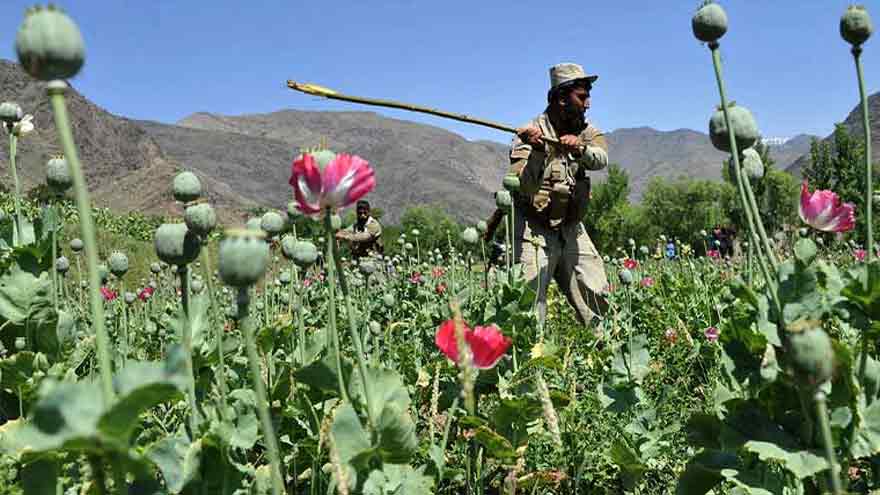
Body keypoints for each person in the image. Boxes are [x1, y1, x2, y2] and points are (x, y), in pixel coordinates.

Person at [507, 62, 610, 328]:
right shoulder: (528, 134)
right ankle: (529, 364)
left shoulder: (587, 131)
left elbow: (601, 159)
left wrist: (581, 150)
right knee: (527, 307)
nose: (587, 104)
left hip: (571, 227)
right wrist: (538, 151)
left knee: (597, 296)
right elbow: (524, 188)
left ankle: (612, 356)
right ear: (562, 98)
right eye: (582, 97)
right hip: (534, 228)